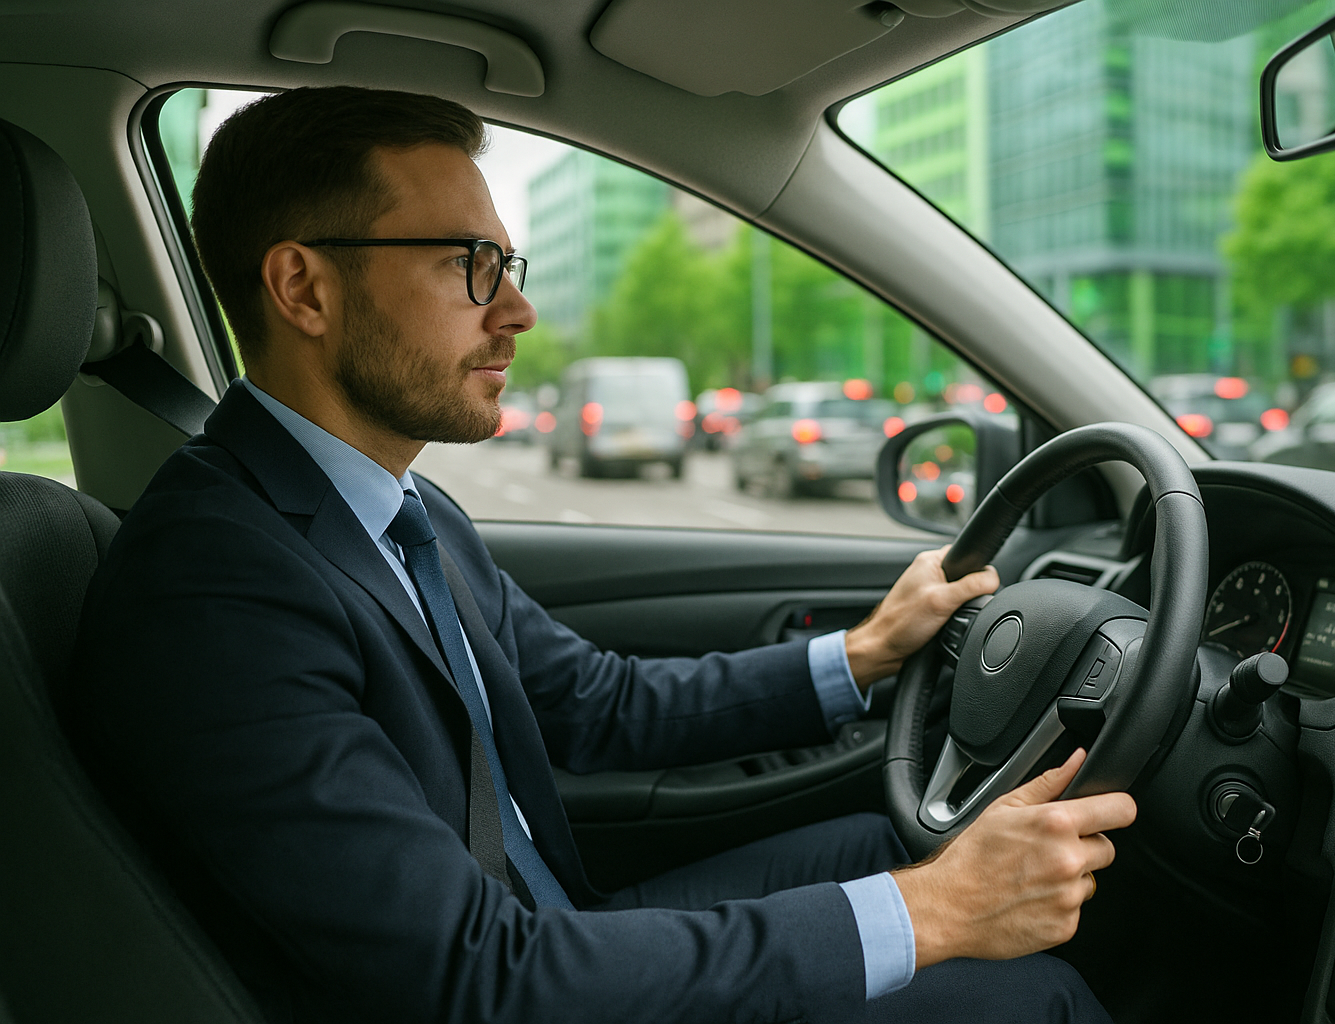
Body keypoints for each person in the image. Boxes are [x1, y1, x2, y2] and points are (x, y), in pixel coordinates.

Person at [69, 86, 1136, 1024]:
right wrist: (934, 916)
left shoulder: (399, 506)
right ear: (304, 288)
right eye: (468, 265)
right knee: (1017, 989)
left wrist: (860, 654)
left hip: (549, 930)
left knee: (877, 841)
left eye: (508, 264)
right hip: (516, 978)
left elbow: (594, 700)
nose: (518, 312)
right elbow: (475, 980)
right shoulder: (215, 582)